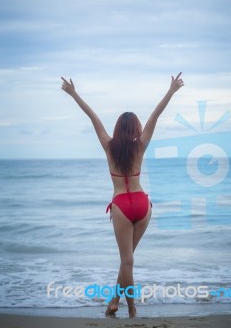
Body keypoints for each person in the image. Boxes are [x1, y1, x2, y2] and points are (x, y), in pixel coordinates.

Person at [61, 72, 184, 318]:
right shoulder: (141, 146)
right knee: (127, 259)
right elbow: (155, 115)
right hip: (141, 203)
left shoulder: (108, 146)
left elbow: (92, 116)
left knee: (126, 260)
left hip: (120, 206)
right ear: (136, 128)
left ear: (118, 128)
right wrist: (171, 91)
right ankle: (114, 303)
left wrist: (74, 94)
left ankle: (131, 308)